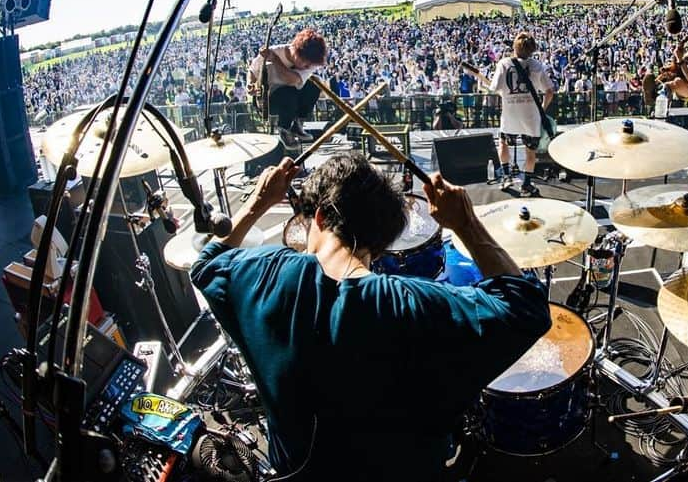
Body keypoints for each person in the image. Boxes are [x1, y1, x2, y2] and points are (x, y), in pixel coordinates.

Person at [190, 155, 550, 481]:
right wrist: (466, 223)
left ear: (317, 217)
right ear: (382, 243)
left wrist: (259, 202)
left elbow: (206, 263)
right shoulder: (416, 306)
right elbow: (526, 307)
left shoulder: (262, 275)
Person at [488, 32, 555, 196]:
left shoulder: (504, 64)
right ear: (532, 50)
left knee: (503, 143)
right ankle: (526, 184)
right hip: (531, 116)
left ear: (514, 47)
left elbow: (494, 88)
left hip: (510, 115)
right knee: (530, 152)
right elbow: (549, 91)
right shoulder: (537, 66)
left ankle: (506, 177)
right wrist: (542, 109)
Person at [248, 28, 328, 147]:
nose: (307, 67)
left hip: (291, 96)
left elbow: (291, 80)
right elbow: (252, 70)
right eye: (305, 63)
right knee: (287, 93)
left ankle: (297, 123)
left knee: (313, 85)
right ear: (296, 52)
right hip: (269, 100)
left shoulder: (310, 63)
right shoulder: (275, 51)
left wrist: (275, 60)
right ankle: (284, 129)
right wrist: (251, 85)